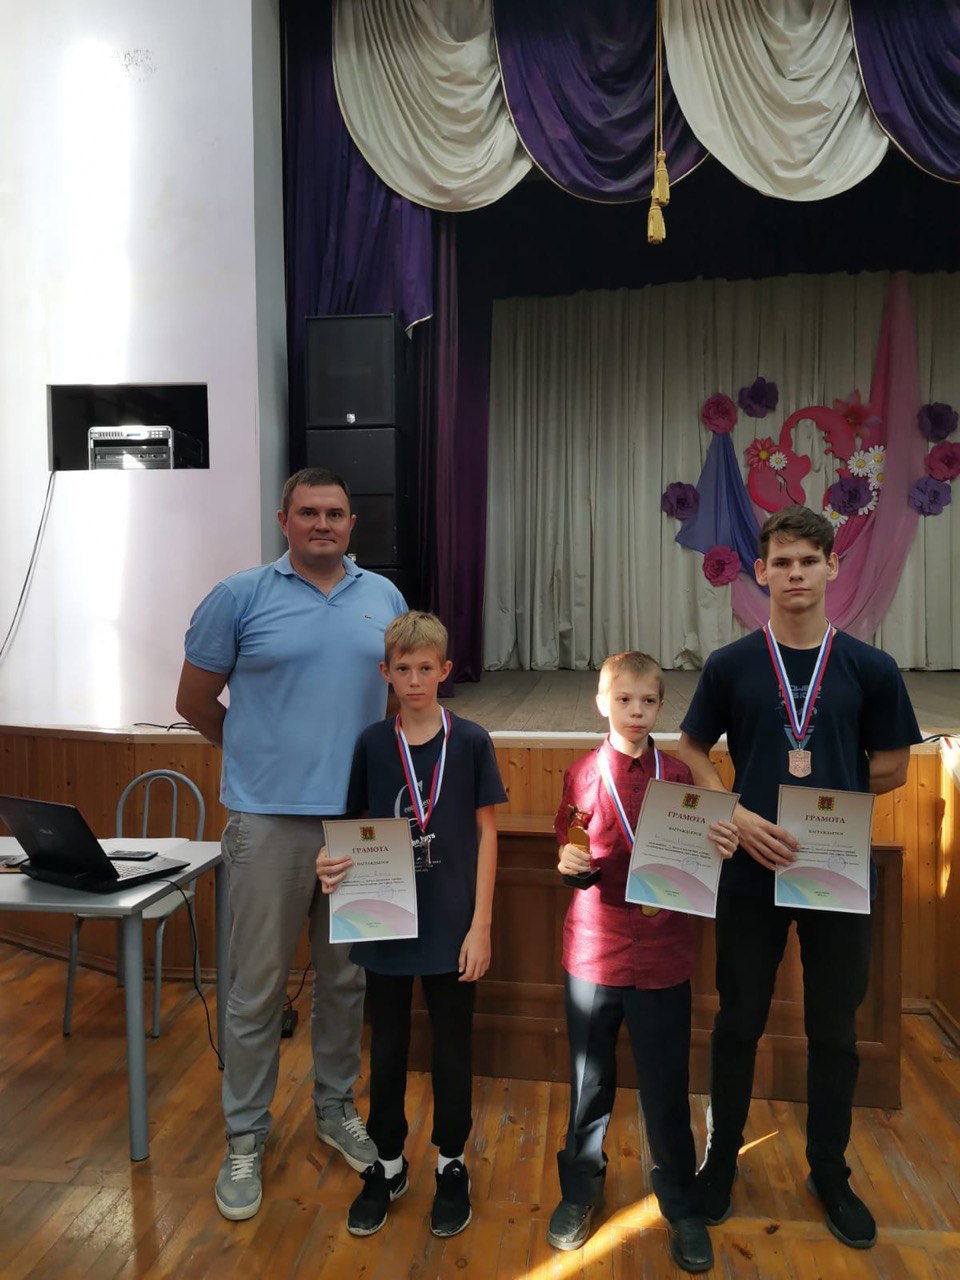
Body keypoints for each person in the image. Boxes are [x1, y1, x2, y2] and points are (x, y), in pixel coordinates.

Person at [677, 504, 921, 1251]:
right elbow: (689, 747)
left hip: (834, 869)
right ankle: (720, 1163)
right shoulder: (731, 664)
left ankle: (829, 1172)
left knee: (835, 1032)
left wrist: (827, 808)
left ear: (832, 568)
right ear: (760, 572)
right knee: (738, 1023)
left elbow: (894, 766)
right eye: (780, 562)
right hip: (750, 867)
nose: (794, 574)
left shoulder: (871, 667)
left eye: (808, 561)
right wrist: (733, 809)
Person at [175, 467, 407, 1221]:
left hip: (362, 827)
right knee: (255, 990)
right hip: (267, 823)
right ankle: (245, 1135)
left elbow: (400, 697)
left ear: (351, 523)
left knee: (346, 984)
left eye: (335, 513)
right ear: (284, 520)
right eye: (308, 512)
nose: (322, 524)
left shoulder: (384, 598)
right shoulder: (239, 596)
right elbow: (193, 700)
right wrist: (253, 756)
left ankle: (336, 1108)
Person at [316, 611, 506, 1239]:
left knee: (452, 1048)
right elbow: (350, 830)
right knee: (388, 1050)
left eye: (427, 668)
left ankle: (451, 1163)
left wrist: (480, 926)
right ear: (386, 673)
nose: (416, 679)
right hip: (385, 924)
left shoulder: (471, 741)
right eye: (404, 669)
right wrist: (327, 861)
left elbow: (487, 834)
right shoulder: (373, 744)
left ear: (446, 670)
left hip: (452, 928)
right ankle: (389, 1163)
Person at [548, 652, 739, 1274]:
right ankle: (579, 1191)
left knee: (665, 1086)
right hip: (594, 953)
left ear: (660, 707)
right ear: (602, 703)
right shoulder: (582, 774)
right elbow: (569, 840)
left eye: (648, 702)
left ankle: (680, 1203)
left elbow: (703, 854)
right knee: (589, 1084)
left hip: (662, 956)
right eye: (623, 700)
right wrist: (568, 861)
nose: (635, 712)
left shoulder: (680, 776)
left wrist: (720, 844)